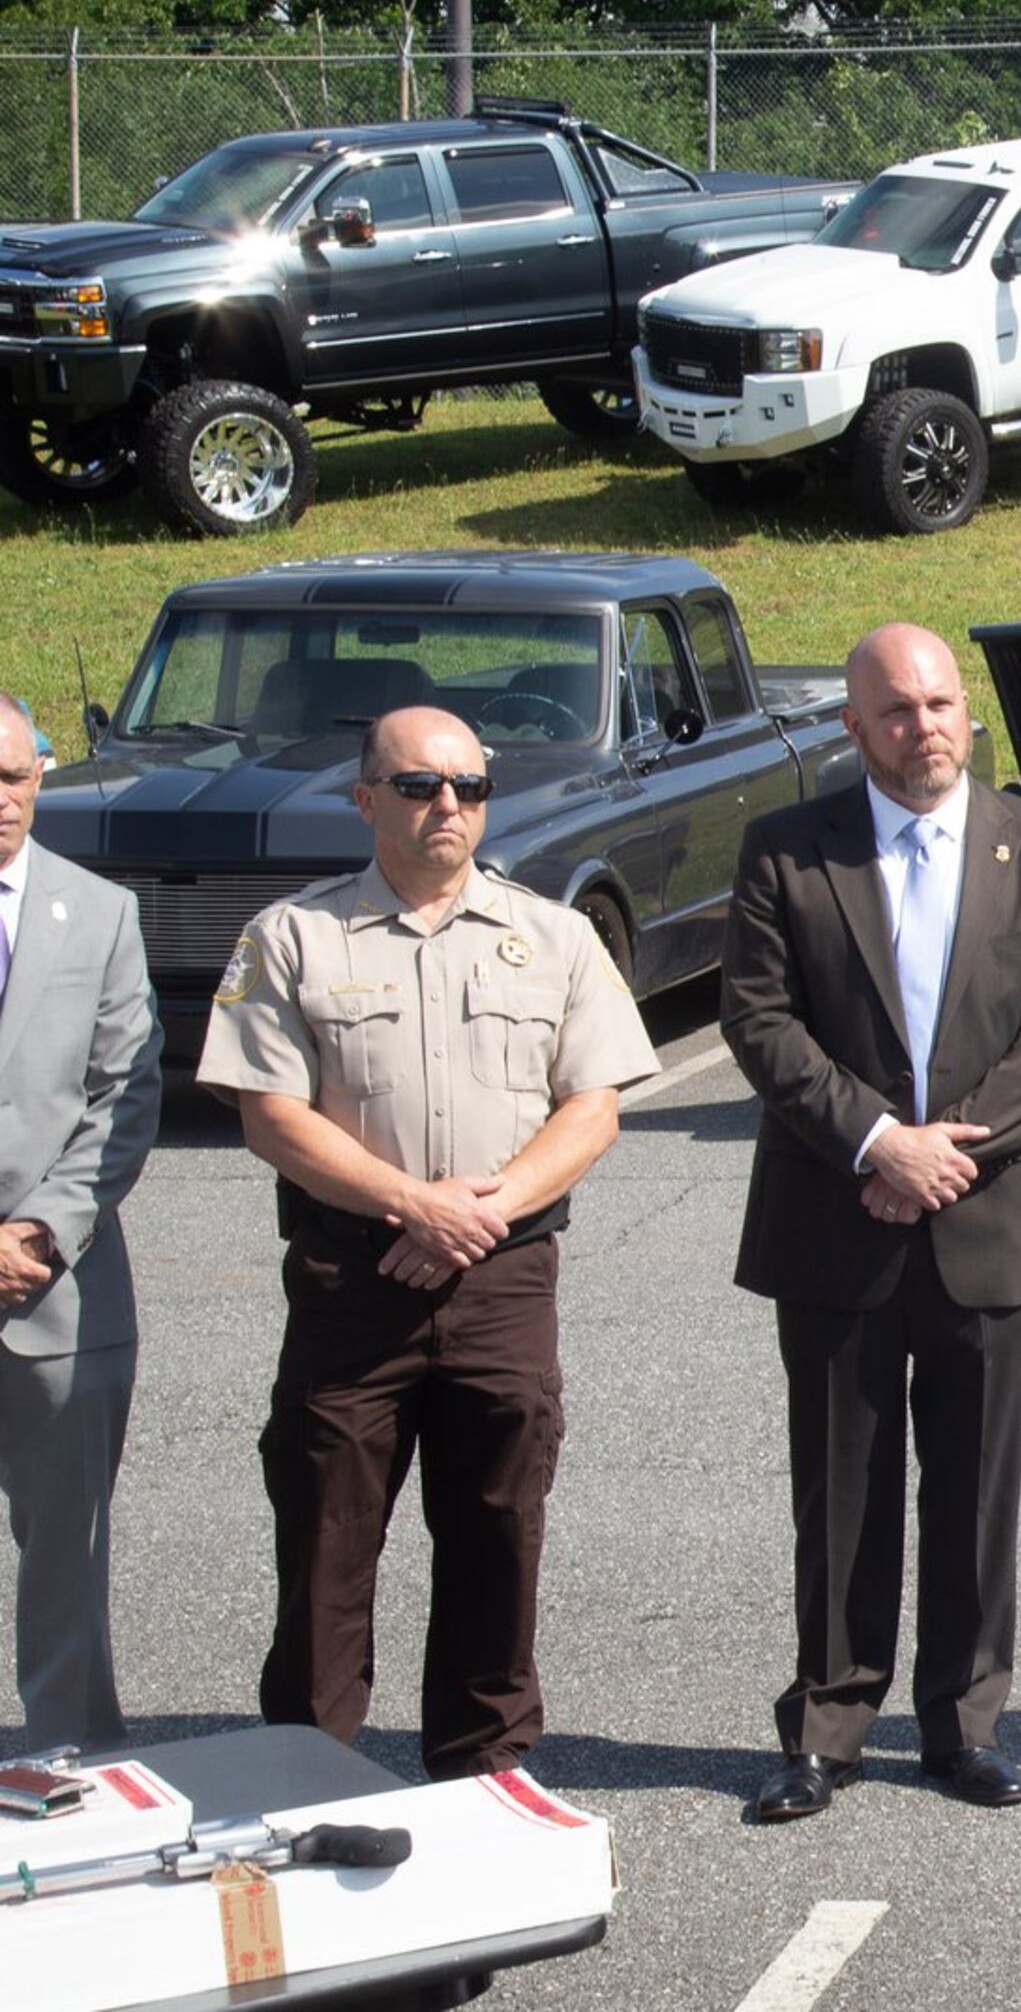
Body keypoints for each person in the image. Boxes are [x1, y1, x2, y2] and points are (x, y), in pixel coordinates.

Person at [198, 705, 657, 1778]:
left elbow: (593, 1107)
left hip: (502, 1281)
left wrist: (473, 1217)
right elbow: (271, 1115)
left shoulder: (554, 936)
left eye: (468, 786)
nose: (447, 804)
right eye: (418, 785)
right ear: (366, 800)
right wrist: (415, 1205)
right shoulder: (293, 938)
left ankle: (484, 1774)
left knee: (499, 1531)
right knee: (326, 1535)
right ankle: (306, 1774)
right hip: (353, 1283)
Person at [720, 625, 1021, 1822]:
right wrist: (879, 1142)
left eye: (940, 704)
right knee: (841, 1490)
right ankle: (826, 1729)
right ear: (854, 726)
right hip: (837, 1216)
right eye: (896, 709)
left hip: (988, 1222)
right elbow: (760, 1020)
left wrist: (945, 1156)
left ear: (966, 714)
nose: (924, 727)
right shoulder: (787, 850)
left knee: (978, 1490)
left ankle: (964, 1725)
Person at [0, 693, 160, 1749]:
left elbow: (125, 1097)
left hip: (56, 1290)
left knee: (67, 1559)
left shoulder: (98, 913)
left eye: (13, 777)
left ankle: (73, 1767)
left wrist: (38, 1234)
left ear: (40, 777)